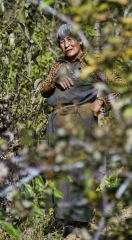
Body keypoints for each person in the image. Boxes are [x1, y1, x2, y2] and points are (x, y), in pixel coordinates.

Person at [40, 23, 126, 239]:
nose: (66, 44)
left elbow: (120, 83)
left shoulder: (92, 60)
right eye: (61, 41)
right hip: (58, 122)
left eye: (70, 39)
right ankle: (66, 224)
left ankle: (81, 224)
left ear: (79, 40)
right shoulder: (57, 64)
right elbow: (44, 90)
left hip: (82, 119)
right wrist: (56, 79)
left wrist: (101, 101)